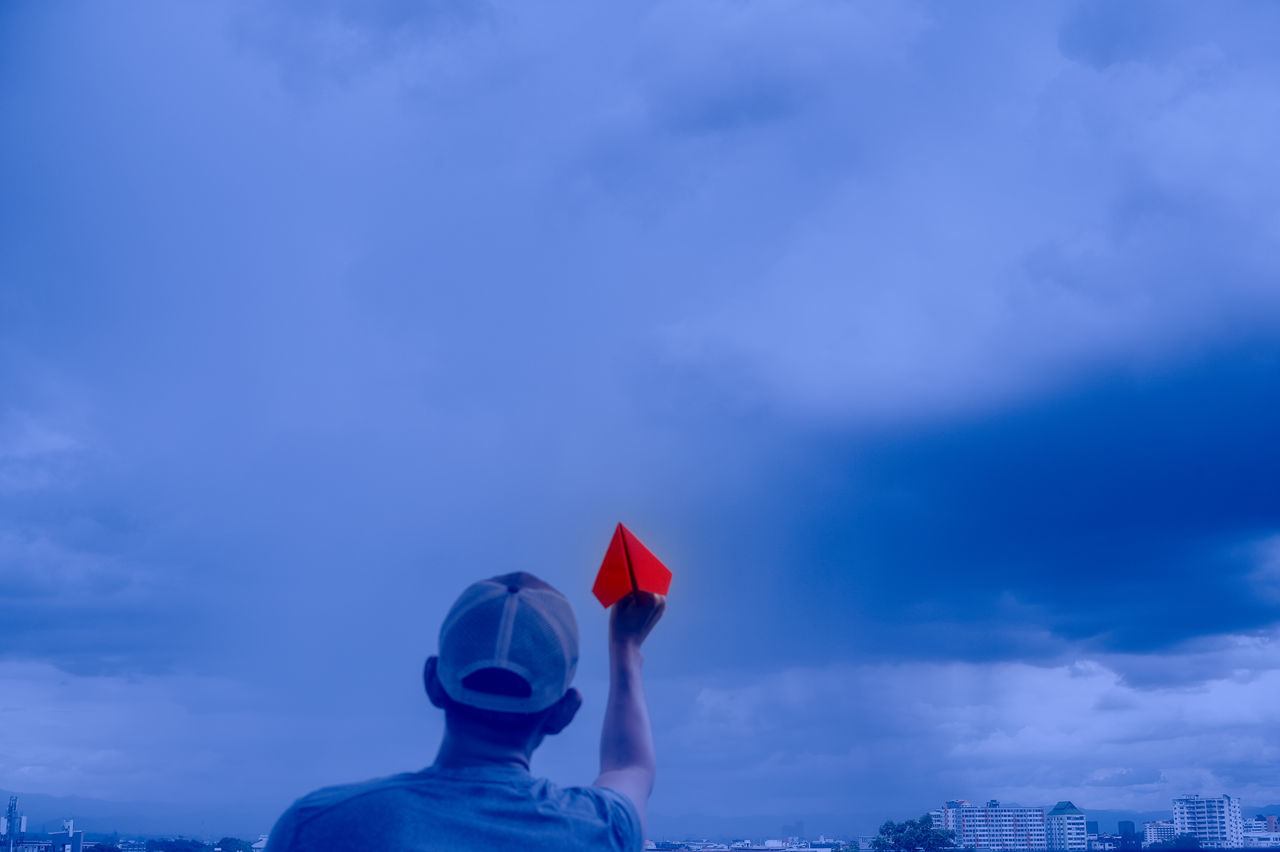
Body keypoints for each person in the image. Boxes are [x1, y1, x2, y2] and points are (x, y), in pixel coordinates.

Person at [266, 571, 665, 851]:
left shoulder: (315, 827)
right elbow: (630, 768)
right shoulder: (598, 831)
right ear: (564, 711)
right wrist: (625, 645)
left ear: (433, 682)